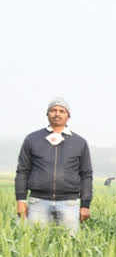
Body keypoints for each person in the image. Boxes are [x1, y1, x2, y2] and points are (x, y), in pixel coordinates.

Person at [15, 98, 93, 234]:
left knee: (70, 246)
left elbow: (86, 175)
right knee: (37, 245)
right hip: (38, 202)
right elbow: (22, 171)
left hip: (70, 203)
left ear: (68, 116)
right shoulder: (32, 139)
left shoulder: (80, 142)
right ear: (47, 114)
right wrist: (21, 200)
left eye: (62, 111)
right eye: (53, 110)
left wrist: (85, 204)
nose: (57, 114)